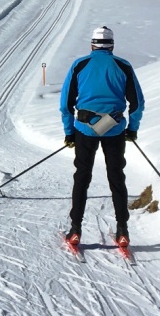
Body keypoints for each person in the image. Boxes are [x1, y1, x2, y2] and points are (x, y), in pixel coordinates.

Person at [60, 26, 145, 247]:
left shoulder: (80, 64)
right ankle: (122, 230)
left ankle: (75, 229)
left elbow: (66, 104)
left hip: (85, 129)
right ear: (112, 45)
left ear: (92, 44)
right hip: (114, 129)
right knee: (116, 177)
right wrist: (133, 129)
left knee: (82, 177)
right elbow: (137, 103)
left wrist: (69, 132)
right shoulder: (123, 66)